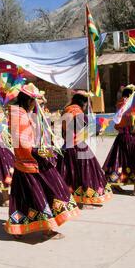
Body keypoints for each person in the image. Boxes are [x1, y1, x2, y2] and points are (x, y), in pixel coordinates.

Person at [5, 83, 79, 240]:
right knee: (45, 193)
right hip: (30, 161)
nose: (36, 103)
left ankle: (19, 228)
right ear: (29, 100)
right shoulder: (19, 115)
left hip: (28, 160)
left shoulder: (23, 113)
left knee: (25, 197)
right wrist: (42, 151)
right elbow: (23, 141)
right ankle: (46, 229)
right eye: (35, 100)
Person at [56, 90, 112, 209]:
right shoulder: (76, 111)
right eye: (86, 104)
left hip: (68, 145)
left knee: (72, 174)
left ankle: (75, 200)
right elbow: (84, 126)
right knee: (83, 173)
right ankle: (82, 202)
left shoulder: (67, 109)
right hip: (77, 146)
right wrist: (99, 128)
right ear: (84, 103)